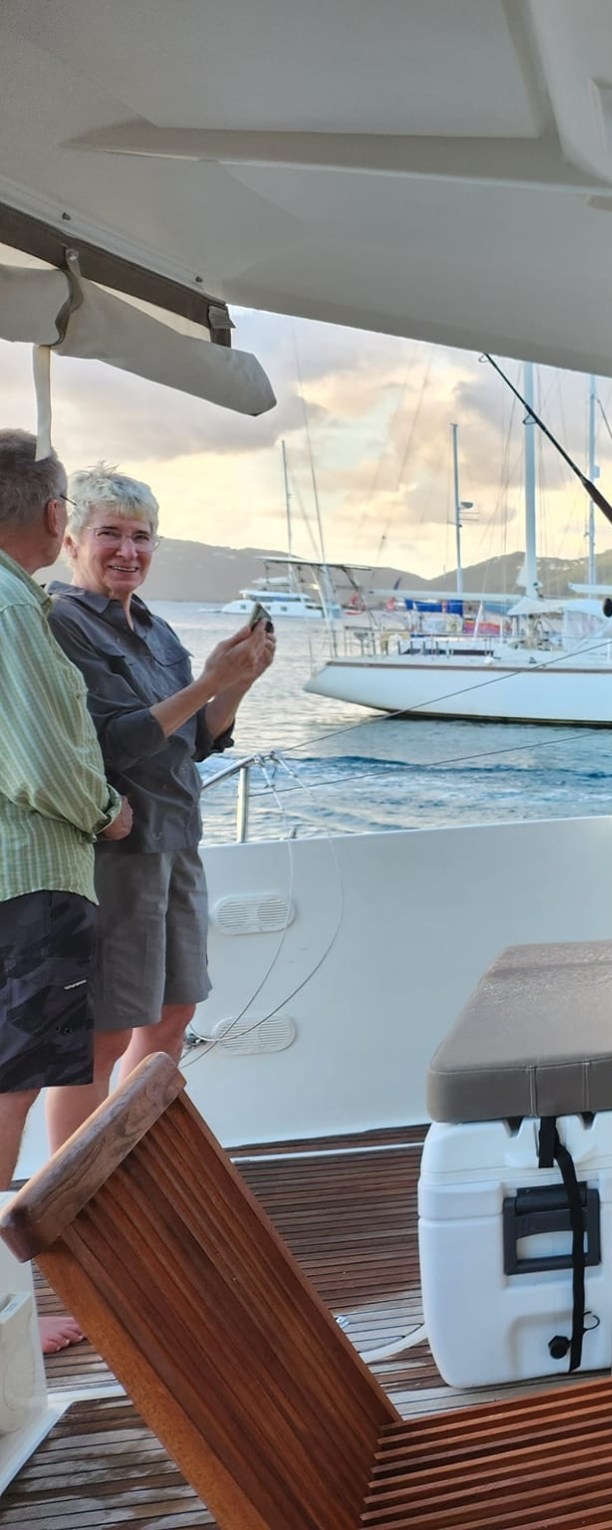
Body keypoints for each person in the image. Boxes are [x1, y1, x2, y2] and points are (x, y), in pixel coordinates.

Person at [42, 468, 274, 1150]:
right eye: (109, 533)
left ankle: (129, 1165)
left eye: (141, 537)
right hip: (115, 852)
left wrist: (237, 684)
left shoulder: (155, 628)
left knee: (175, 1012)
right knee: (104, 1030)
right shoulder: (63, 625)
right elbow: (118, 741)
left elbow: (195, 741)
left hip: (177, 841)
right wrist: (209, 681)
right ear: (72, 540)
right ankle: (72, 1194)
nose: (127, 551)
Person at [0, 430, 131, 1353]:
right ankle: (6, 1312)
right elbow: (46, 761)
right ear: (56, 517)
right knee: (9, 1087)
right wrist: (110, 809)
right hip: (32, 877)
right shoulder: (12, 608)